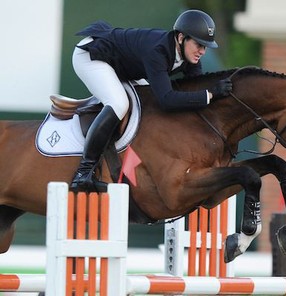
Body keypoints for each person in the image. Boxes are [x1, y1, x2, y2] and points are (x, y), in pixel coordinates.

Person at [70, 9, 233, 192]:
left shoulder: (190, 56)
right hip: (93, 56)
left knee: (146, 101)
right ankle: (83, 173)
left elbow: (194, 92)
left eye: (205, 47)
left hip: (123, 66)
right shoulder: (158, 51)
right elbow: (167, 100)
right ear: (181, 38)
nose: (202, 51)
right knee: (119, 103)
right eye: (198, 45)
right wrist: (210, 95)